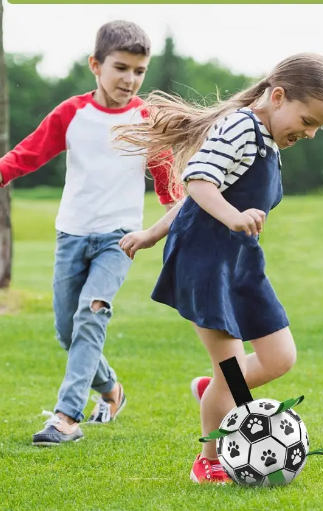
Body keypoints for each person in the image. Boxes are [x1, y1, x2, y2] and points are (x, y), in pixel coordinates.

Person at [116, 52, 323, 483]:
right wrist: (231, 217)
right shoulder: (241, 126)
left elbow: (195, 196)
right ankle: (209, 458)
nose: (311, 133)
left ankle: (214, 390)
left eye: (319, 127)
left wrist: (152, 232)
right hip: (204, 262)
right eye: (308, 119)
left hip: (240, 263)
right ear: (277, 97)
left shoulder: (270, 140)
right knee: (235, 375)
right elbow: (198, 181)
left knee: (279, 357)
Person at [0, 20, 177, 445]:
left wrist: (180, 222)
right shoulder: (71, 114)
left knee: (91, 315)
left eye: (139, 71)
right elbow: (25, 156)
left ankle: (66, 417)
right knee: (67, 329)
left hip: (119, 240)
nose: (130, 80)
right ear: (95, 65)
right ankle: (112, 390)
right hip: (71, 236)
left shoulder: (147, 121)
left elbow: (169, 187)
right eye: (121, 68)